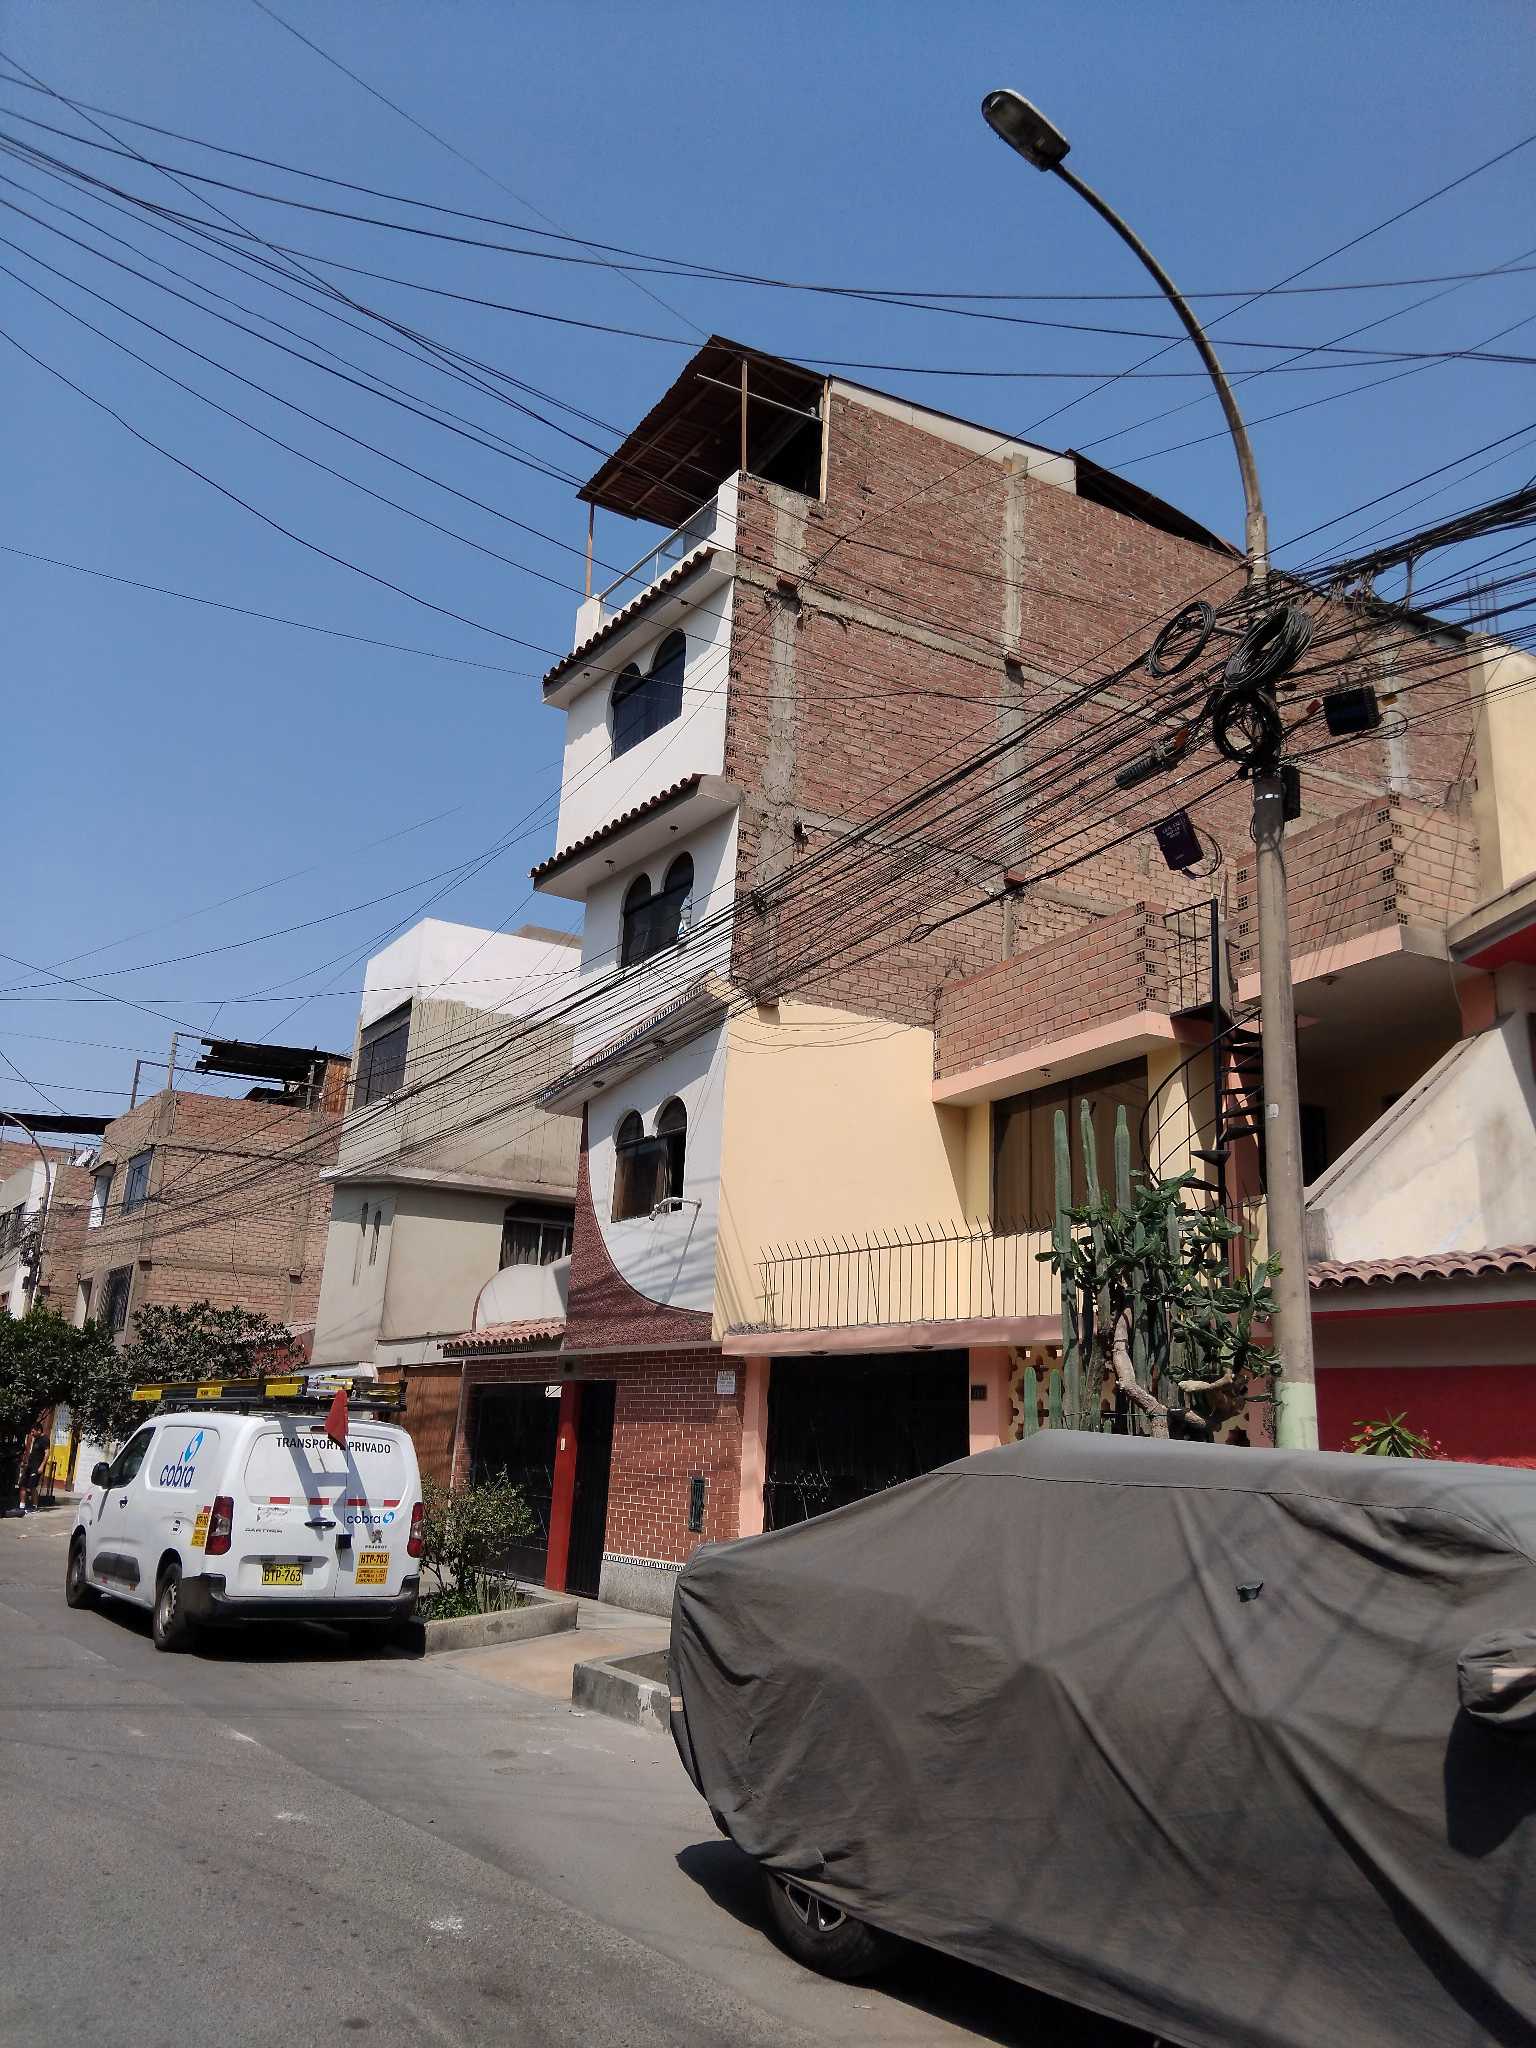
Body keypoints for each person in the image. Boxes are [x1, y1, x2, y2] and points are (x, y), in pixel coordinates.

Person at [19, 1432, 48, 1514]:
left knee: (32, 1486)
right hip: (28, 1466)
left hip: (36, 1467)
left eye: (33, 1431)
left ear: (38, 1430)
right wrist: (24, 1462)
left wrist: (42, 1466)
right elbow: (27, 1451)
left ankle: (35, 1506)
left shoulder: (44, 1440)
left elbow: (47, 1454)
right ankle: (21, 1506)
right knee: (23, 1485)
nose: (32, 1433)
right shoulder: (32, 1438)